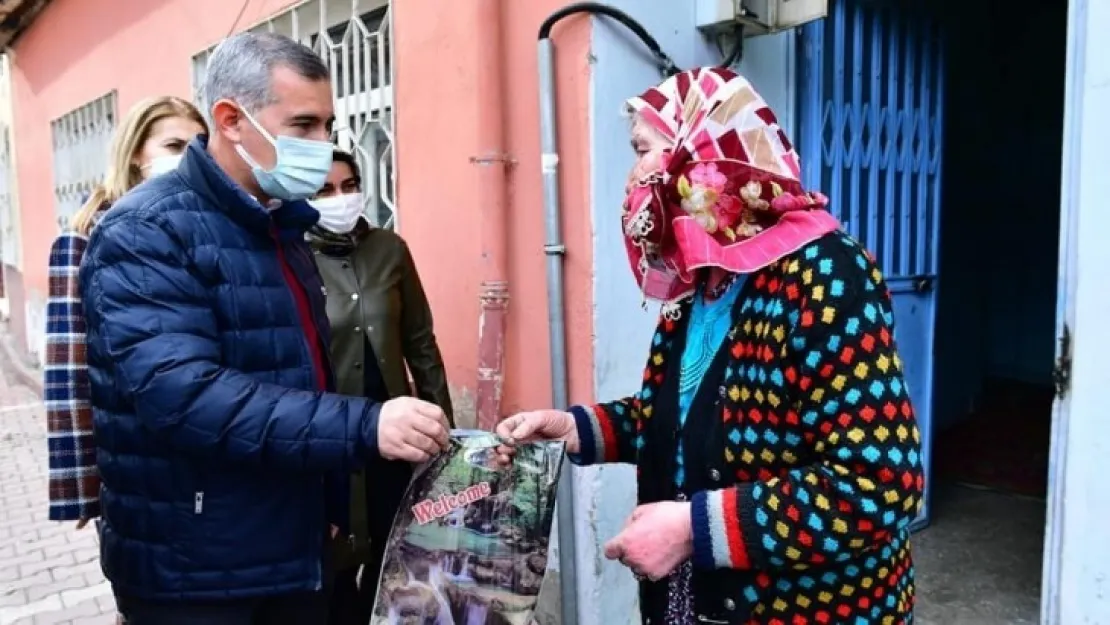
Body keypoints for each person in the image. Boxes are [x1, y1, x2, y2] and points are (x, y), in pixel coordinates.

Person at [495, 67, 924, 625]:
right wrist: (576, 427)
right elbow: (672, 420)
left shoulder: (824, 274)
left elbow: (880, 482)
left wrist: (693, 529)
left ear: (697, 152)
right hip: (692, 601)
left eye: (642, 150)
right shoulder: (700, 283)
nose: (633, 176)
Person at [78, 32, 450, 625]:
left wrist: (326, 501)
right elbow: (185, 396)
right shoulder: (145, 231)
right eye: (302, 125)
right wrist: (367, 423)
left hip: (289, 546)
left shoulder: (281, 228)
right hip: (195, 568)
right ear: (230, 119)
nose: (322, 145)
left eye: (328, 125)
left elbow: (302, 372)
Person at [46, 95, 207, 528]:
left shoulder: (205, 227)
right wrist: (82, 486)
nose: (190, 158)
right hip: (128, 452)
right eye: (174, 146)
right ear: (137, 154)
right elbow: (69, 369)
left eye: (200, 146)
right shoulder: (84, 237)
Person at [309, 150, 454, 625]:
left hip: (396, 439)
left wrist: (441, 425)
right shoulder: (295, 257)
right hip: (330, 441)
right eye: (325, 190)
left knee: (395, 560)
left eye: (349, 185)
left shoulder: (390, 249)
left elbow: (420, 342)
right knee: (333, 573)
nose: (341, 198)